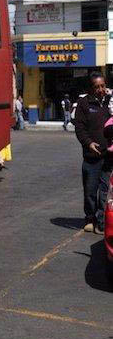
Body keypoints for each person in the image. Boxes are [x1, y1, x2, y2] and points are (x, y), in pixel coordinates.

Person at [71, 72, 113, 233]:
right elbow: (79, 128)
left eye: (103, 86)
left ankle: (102, 222)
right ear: (91, 88)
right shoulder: (84, 103)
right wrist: (88, 143)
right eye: (97, 87)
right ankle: (90, 218)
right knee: (90, 190)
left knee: (105, 191)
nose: (101, 89)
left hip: (108, 156)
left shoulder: (110, 101)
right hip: (91, 157)